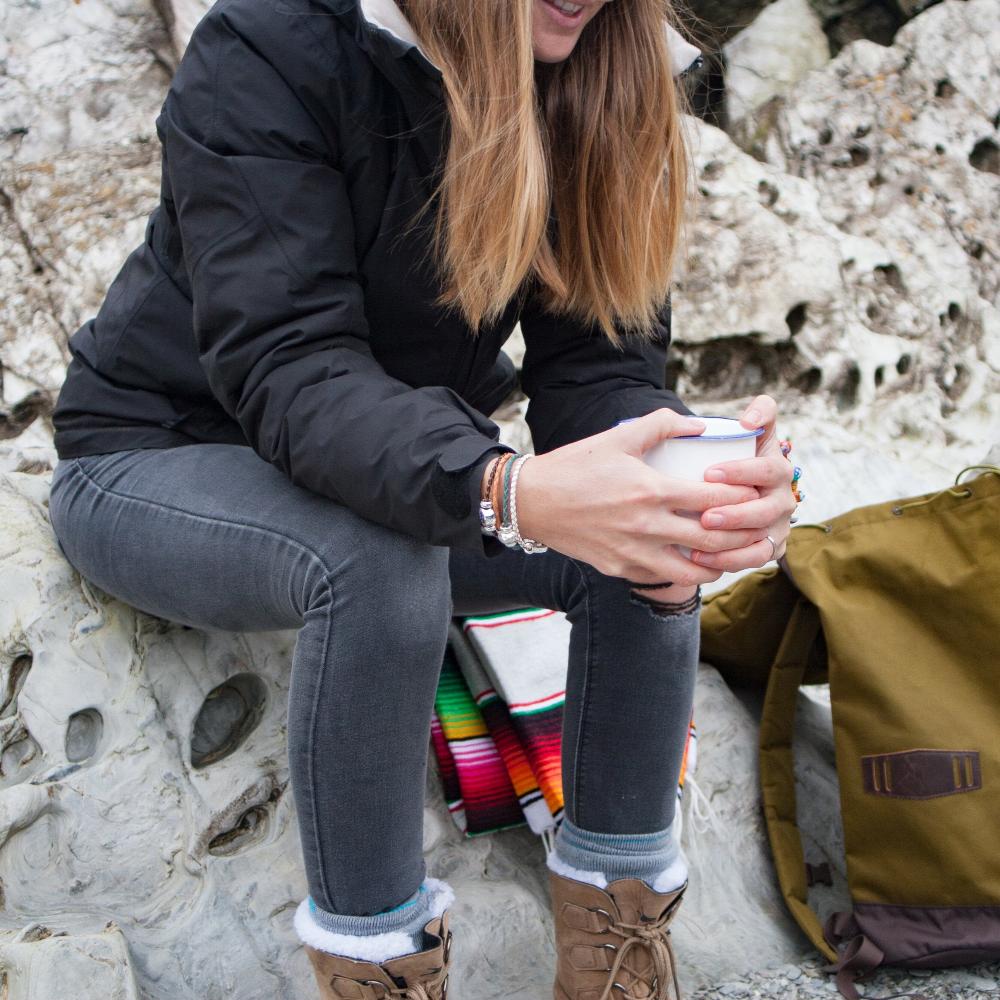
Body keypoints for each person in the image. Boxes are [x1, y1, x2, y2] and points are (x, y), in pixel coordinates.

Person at [46, 0, 797, 996]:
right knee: (376, 563)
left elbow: (600, 368)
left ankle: (617, 953)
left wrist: (698, 481)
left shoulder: (592, 66)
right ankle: (381, 969)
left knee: (656, 535)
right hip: (160, 458)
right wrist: (501, 487)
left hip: (391, 467)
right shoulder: (271, 45)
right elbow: (292, 369)